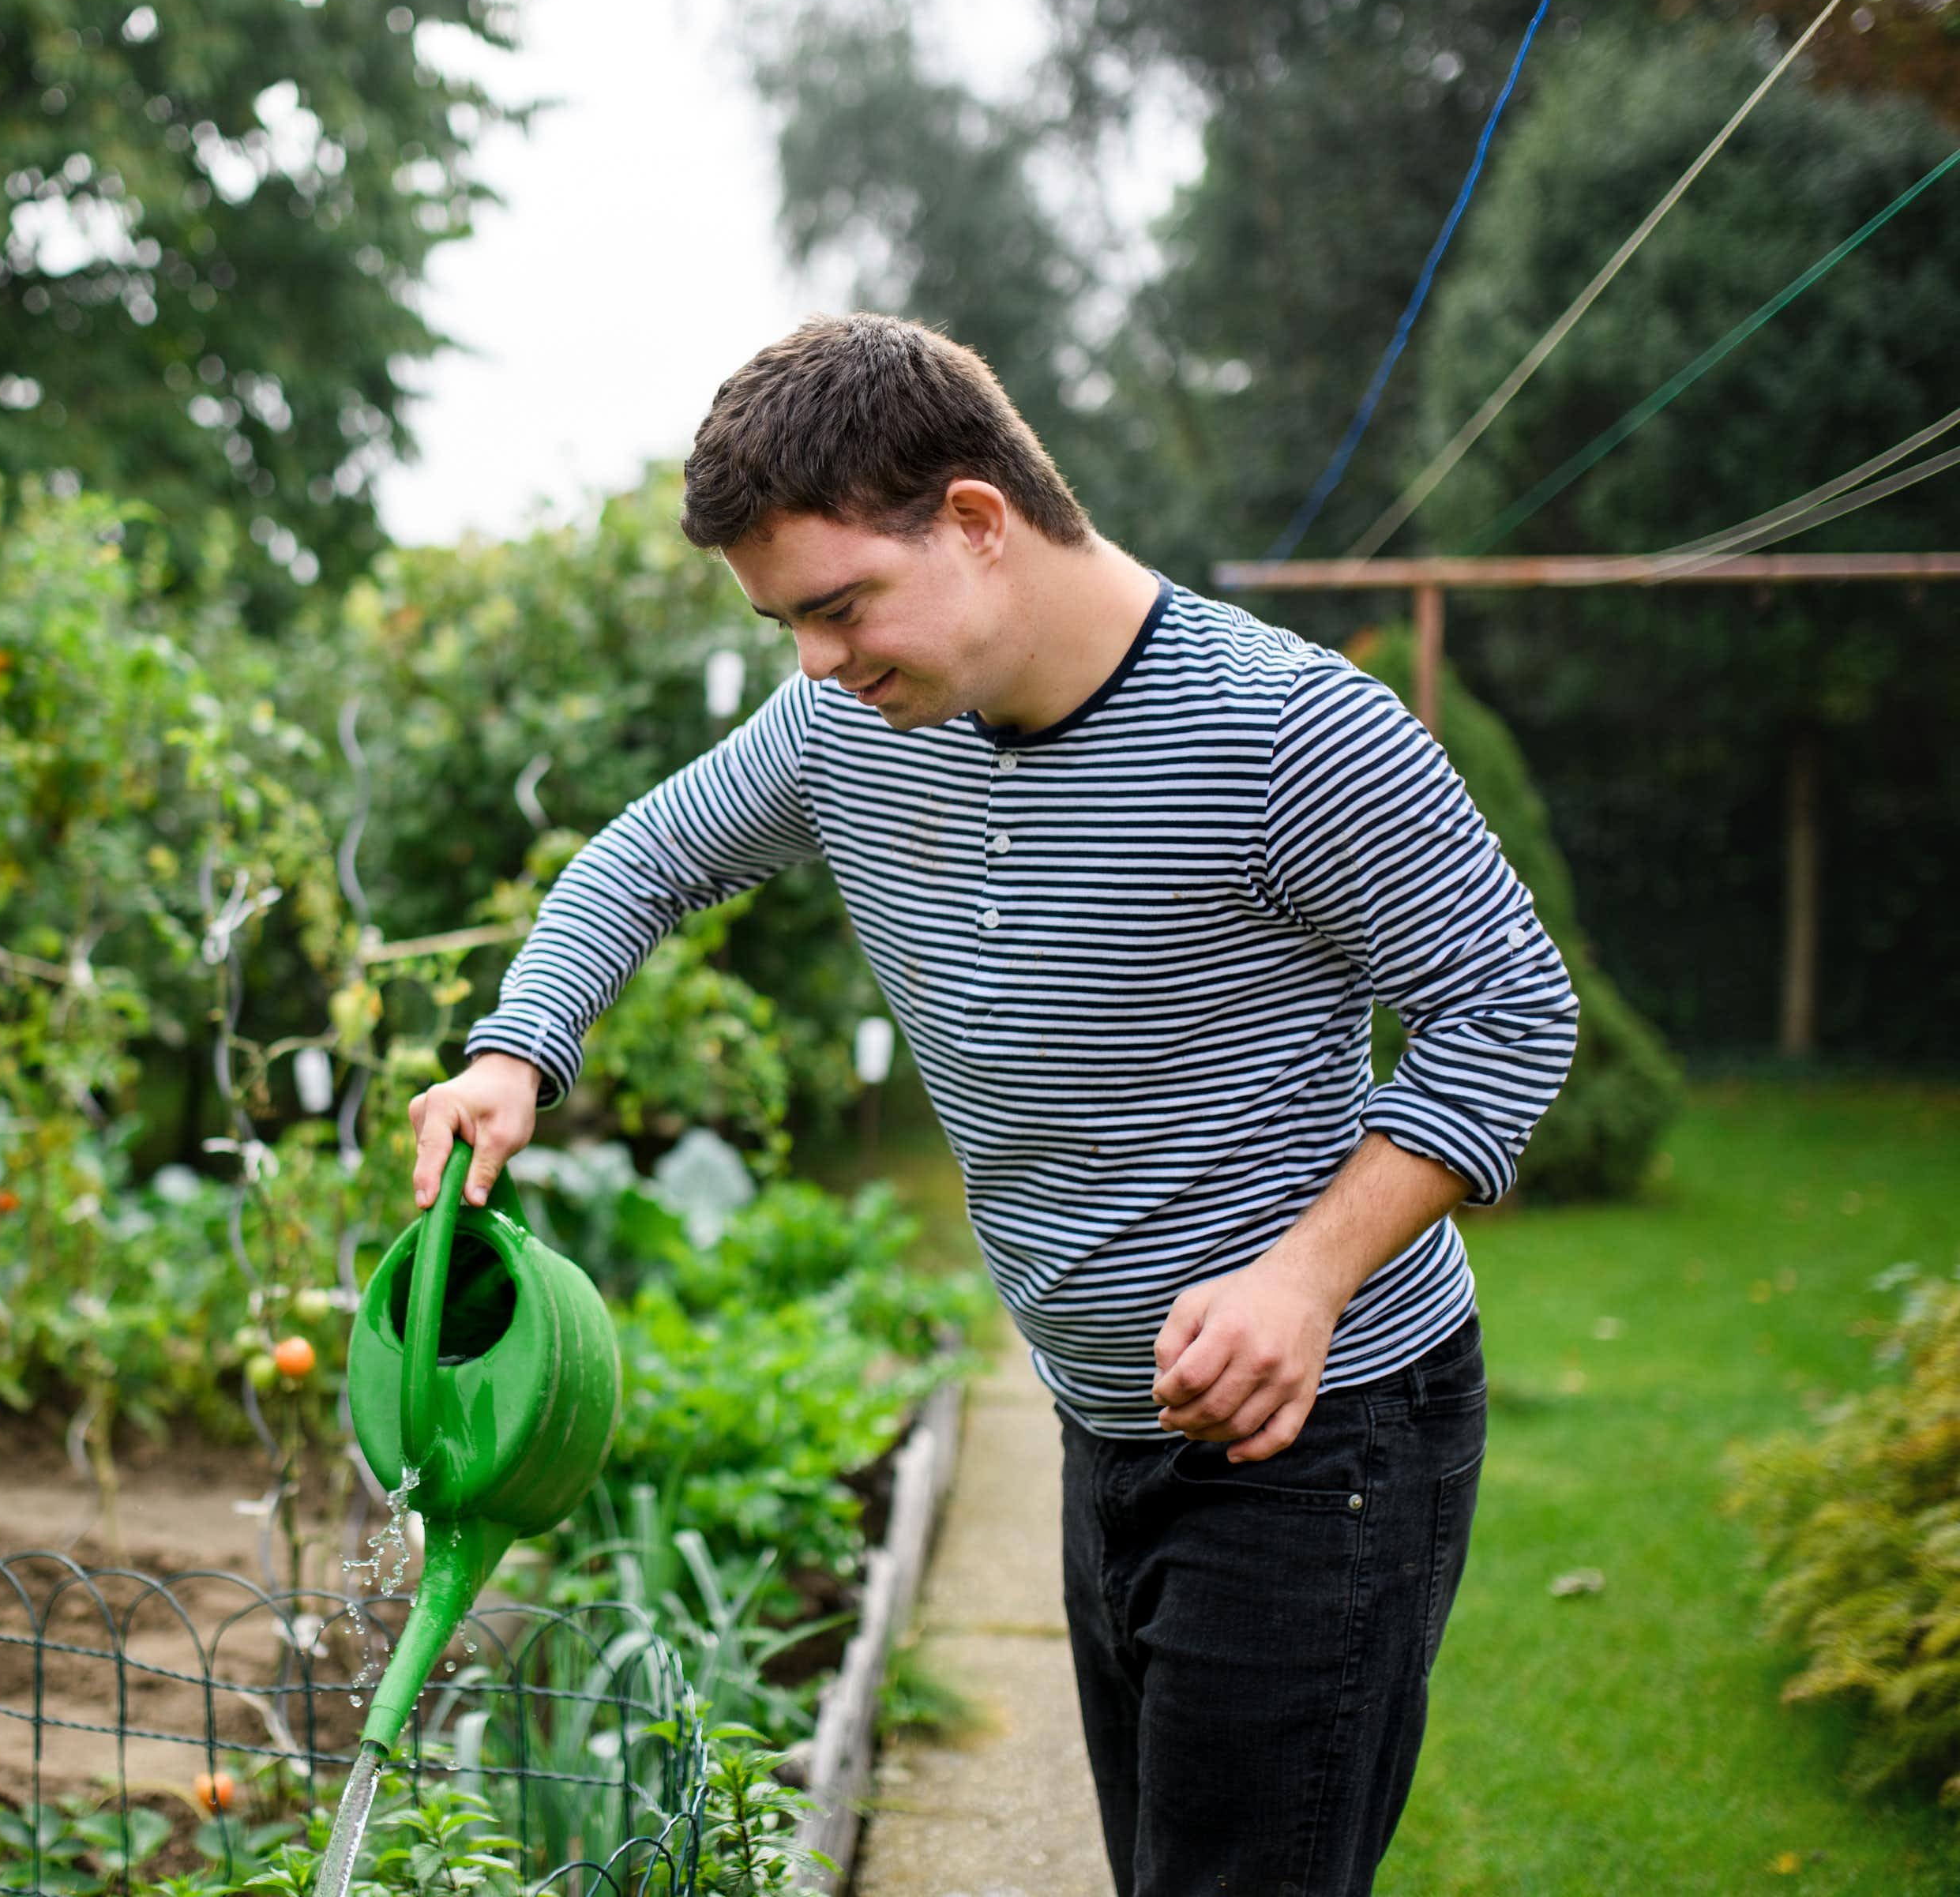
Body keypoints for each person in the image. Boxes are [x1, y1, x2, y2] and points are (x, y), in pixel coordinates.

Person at [407, 311, 1579, 1896]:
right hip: (1106, 1413)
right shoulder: (848, 727)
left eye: (834, 605)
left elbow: (1508, 1007)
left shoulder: (1286, 731)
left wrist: (1302, 1277)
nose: (813, 661)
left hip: (1326, 1434)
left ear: (972, 519)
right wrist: (513, 1047)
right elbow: (647, 853)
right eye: (784, 625)